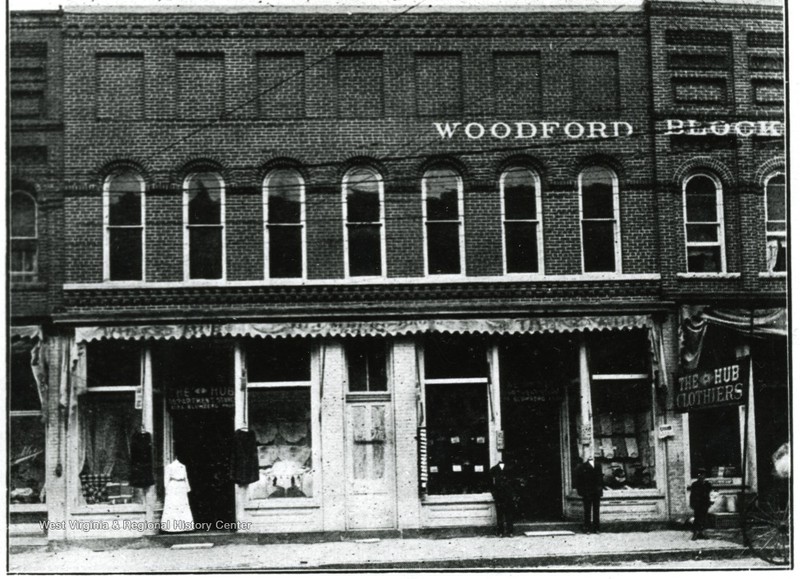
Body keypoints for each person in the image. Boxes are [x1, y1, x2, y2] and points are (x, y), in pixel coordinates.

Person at [575, 457, 604, 534]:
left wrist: (600, 490)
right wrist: (581, 492)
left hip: (596, 492)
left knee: (596, 510)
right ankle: (587, 528)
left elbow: (600, 479)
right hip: (587, 492)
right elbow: (579, 480)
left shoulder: (598, 465)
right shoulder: (582, 466)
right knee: (587, 511)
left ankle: (596, 528)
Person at [490, 456, 517, 537]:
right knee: (500, 515)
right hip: (499, 495)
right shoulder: (494, 469)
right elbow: (491, 484)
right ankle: (500, 532)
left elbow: (514, 483)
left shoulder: (510, 469)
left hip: (508, 495)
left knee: (509, 514)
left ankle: (510, 531)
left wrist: (513, 494)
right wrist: (494, 494)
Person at [688, 467, 713, 540]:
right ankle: (695, 533)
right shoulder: (695, 484)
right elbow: (692, 495)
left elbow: (710, 494)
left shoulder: (708, 484)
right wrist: (692, 503)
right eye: (699, 475)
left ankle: (702, 532)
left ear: (705, 476)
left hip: (705, 503)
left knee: (704, 518)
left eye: (702, 475)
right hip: (697, 504)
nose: (701, 476)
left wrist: (711, 500)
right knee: (697, 518)